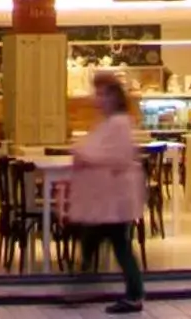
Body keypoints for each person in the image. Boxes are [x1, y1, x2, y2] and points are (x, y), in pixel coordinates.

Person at [68, 71, 146, 315]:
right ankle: (83, 285)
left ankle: (131, 294)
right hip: (107, 201)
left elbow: (117, 156)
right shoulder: (110, 122)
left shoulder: (119, 123)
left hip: (114, 201)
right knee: (98, 241)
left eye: (102, 94)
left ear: (113, 97)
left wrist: (86, 157)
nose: (97, 99)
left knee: (116, 245)